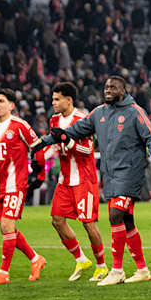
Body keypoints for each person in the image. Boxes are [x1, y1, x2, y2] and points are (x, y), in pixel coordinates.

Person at [39, 76, 151, 286]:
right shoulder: (99, 113)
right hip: (110, 174)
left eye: (113, 87)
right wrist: (44, 141)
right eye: (106, 87)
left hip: (130, 172)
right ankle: (142, 269)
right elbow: (72, 132)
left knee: (115, 215)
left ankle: (116, 270)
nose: (108, 90)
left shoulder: (135, 111)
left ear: (124, 89)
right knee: (126, 221)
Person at [0, 89, 46, 285]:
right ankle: (36, 259)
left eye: (1, 101)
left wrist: (39, 174)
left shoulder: (20, 125)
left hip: (17, 184)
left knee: (6, 226)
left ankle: (3, 273)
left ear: (11, 106)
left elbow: (37, 147)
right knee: (8, 229)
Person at [45, 82, 107, 282]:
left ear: (68, 100)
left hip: (84, 179)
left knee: (88, 223)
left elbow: (88, 151)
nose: (53, 102)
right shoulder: (54, 120)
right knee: (57, 220)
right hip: (65, 179)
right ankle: (81, 259)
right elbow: (55, 145)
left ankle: (102, 265)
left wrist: (67, 140)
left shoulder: (83, 119)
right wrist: (43, 154)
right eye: (53, 98)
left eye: (57, 99)